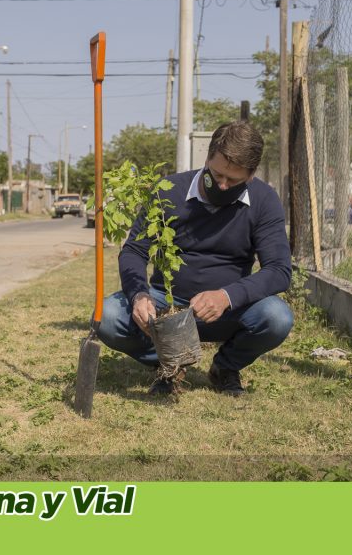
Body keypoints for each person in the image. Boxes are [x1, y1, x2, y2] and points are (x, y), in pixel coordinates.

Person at [97, 121, 295, 396]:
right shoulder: (168, 191)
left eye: (234, 180)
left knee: (277, 317)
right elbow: (134, 250)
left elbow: (279, 270)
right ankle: (170, 362)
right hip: (165, 305)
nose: (223, 185)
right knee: (107, 316)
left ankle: (225, 367)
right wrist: (139, 295)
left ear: (251, 174)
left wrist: (226, 297)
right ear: (207, 158)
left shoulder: (264, 200)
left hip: (228, 311)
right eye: (216, 174)